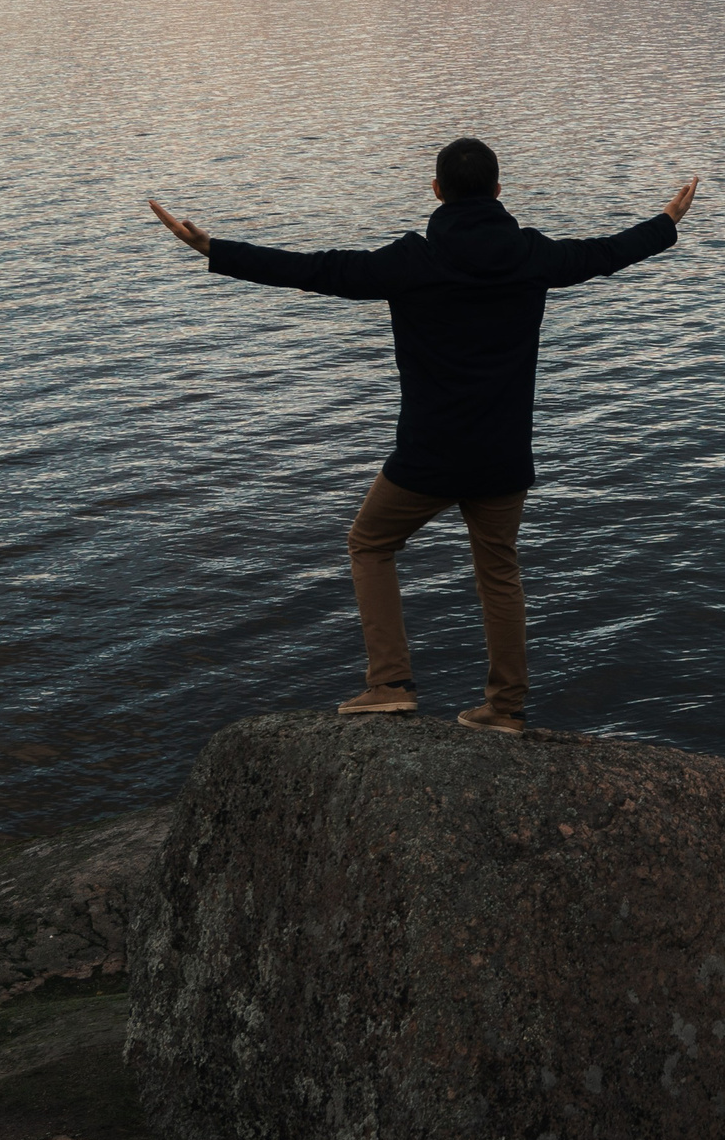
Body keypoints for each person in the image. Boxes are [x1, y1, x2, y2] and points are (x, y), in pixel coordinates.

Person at [148, 137, 696, 733]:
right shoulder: (531, 256)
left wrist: (213, 247)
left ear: (436, 191)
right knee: (499, 573)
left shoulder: (411, 262)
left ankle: (389, 683)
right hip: (502, 456)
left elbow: (315, 268)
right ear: (498, 191)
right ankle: (504, 709)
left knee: (369, 545)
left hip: (428, 457)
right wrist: (666, 222)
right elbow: (606, 253)